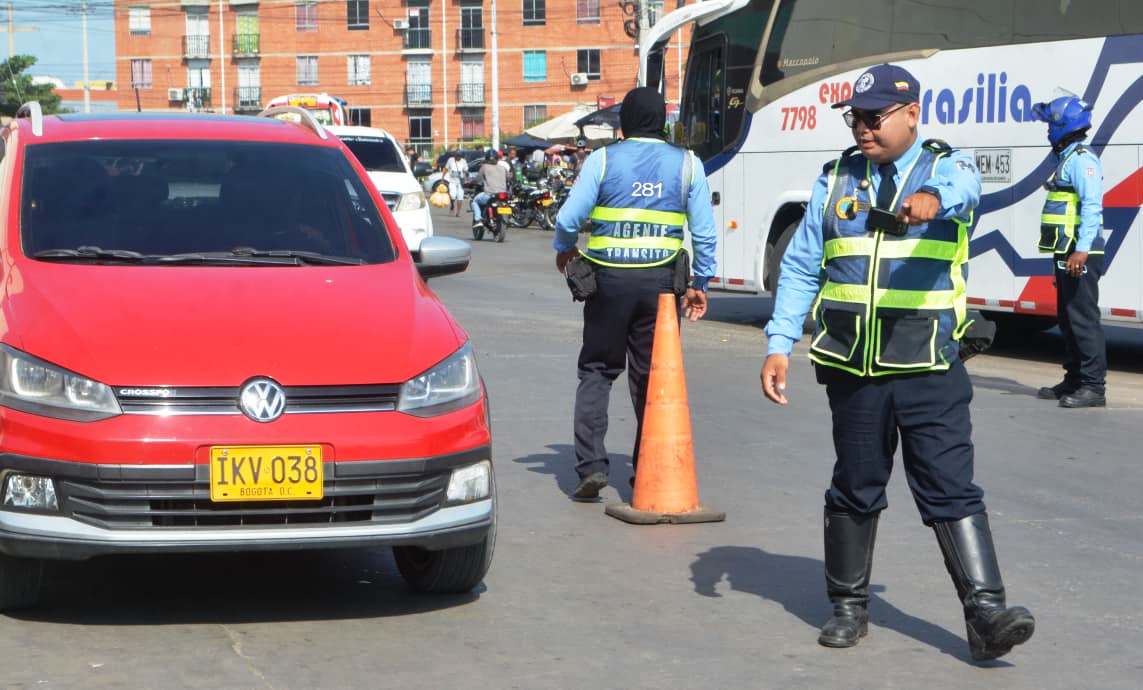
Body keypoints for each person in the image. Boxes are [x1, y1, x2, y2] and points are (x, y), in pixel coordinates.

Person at [759, 64, 1035, 661]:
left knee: (950, 488)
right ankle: (848, 607)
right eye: (855, 117)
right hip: (853, 368)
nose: (862, 128)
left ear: (912, 114)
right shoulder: (835, 180)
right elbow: (804, 265)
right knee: (856, 486)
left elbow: (966, 192)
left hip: (928, 363)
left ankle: (987, 613)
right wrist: (779, 342)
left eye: (874, 117)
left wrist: (929, 201)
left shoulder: (946, 167)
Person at [553, 86, 716, 500]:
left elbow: (569, 218)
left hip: (607, 282)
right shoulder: (688, 165)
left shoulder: (603, 160)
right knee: (652, 378)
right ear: (664, 122)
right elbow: (704, 232)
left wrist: (566, 250)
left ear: (623, 123)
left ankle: (591, 466)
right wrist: (701, 283)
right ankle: (647, 468)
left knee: (596, 371)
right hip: (661, 288)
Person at [1031, 94, 1107, 408]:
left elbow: (1092, 208)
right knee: (1067, 317)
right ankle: (1074, 379)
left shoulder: (1083, 160)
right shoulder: (1068, 158)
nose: (1048, 130)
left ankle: (1093, 387)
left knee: (1083, 319)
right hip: (1068, 252)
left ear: (1064, 125)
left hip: (1081, 252)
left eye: (1051, 124)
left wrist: (1082, 251)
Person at [471, 150, 508, 230]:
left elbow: (478, 179)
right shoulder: (503, 168)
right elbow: (509, 178)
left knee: (475, 201)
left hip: (489, 194)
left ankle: (478, 220)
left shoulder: (484, 167)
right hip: (502, 194)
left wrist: (471, 182)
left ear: (487, 158)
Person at [444, 153, 467, 217]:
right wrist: (442, 178)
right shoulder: (450, 160)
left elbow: (465, 170)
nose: (458, 158)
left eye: (459, 156)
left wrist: (465, 177)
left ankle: (458, 212)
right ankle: (452, 205)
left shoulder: (463, 161)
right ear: (454, 156)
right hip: (452, 181)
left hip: (460, 182)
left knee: (460, 197)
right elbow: (445, 168)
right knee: (452, 195)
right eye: (457, 156)